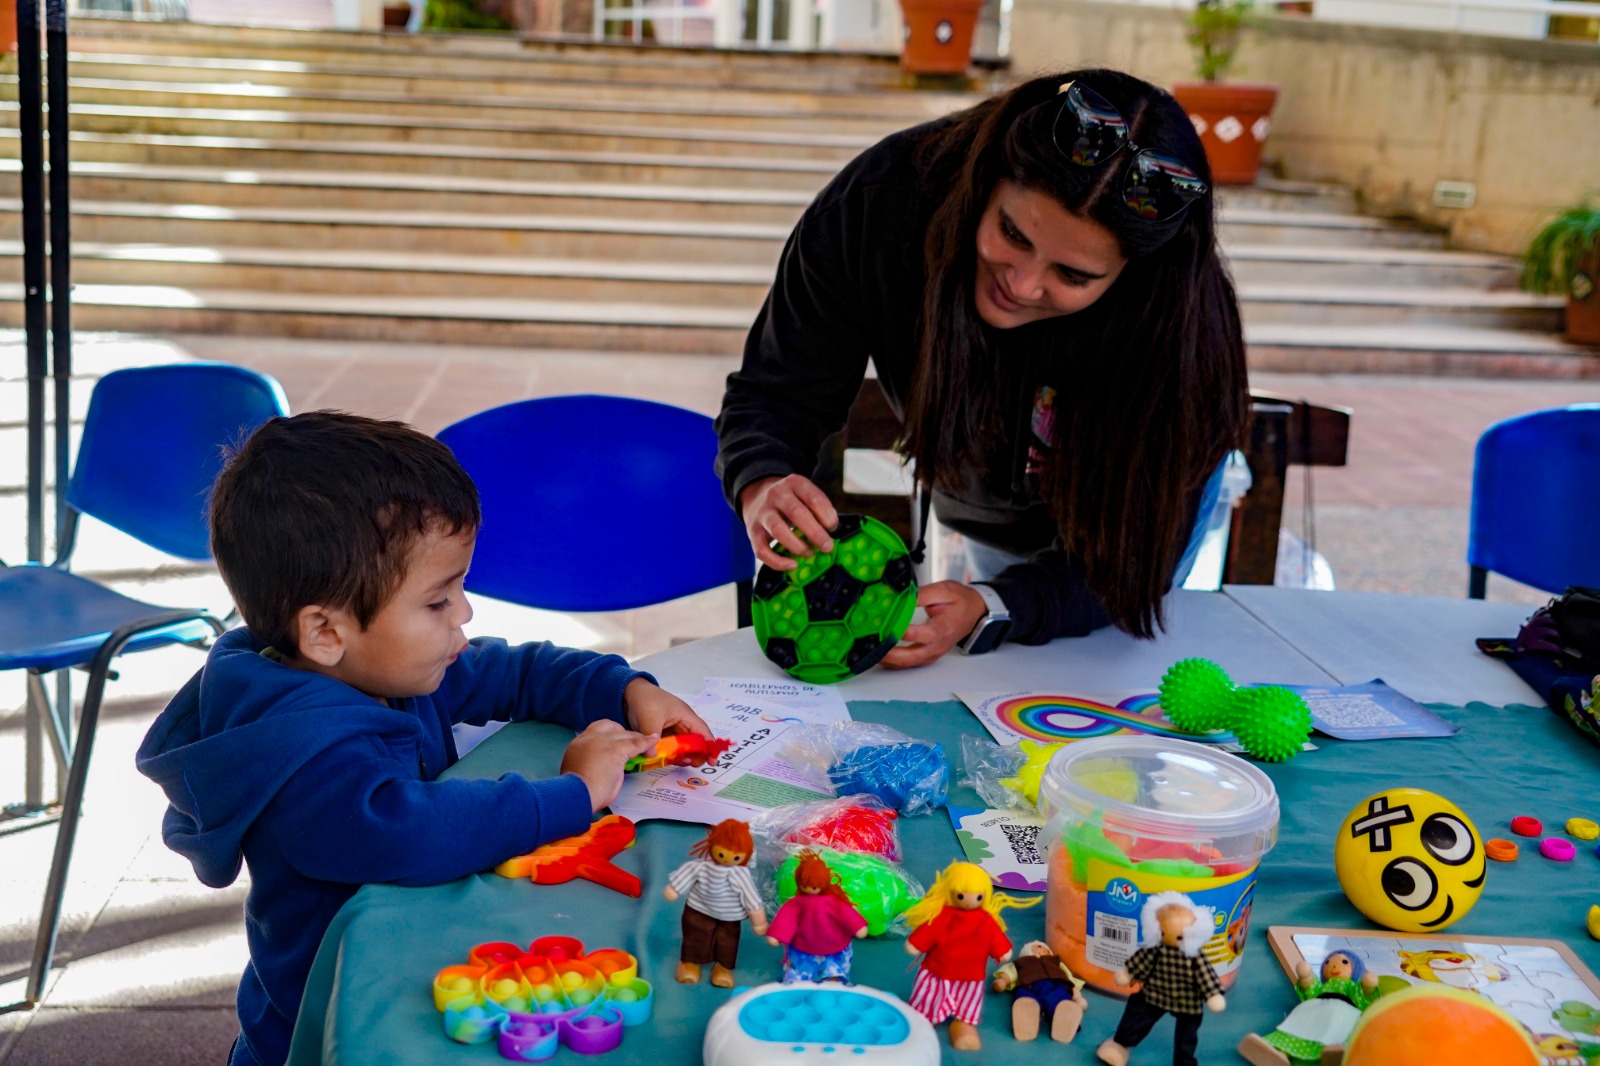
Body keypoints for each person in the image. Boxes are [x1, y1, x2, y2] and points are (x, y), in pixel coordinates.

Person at [135, 411, 710, 1066]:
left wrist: (624, 689)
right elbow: (408, 832)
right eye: (438, 601)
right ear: (325, 631)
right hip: (323, 1028)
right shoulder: (304, 749)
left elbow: (515, 670)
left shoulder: (382, 663)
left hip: (405, 961)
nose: (463, 613)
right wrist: (574, 791)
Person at [716, 69, 1248, 666]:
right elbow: (777, 392)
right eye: (1011, 233)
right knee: (1006, 653)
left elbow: (1129, 568)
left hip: (1120, 520)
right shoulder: (878, 203)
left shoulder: (1179, 327)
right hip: (986, 502)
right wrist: (763, 479)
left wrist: (996, 604)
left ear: (1133, 278)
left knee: (1110, 656)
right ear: (985, 179)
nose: (1021, 285)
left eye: (1072, 275)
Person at [902, 860, 1039, 1051]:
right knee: (928, 1000)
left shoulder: (986, 920)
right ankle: (924, 1019)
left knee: (965, 1004)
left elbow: (998, 941)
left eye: (977, 896)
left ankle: (962, 1024)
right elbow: (928, 932)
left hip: (970, 976)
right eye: (961, 895)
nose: (969, 900)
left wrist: (1003, 951)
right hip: (938, 970)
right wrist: (916, 944)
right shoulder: (944, 914)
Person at [1098, 890, 1226, 1066]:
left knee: (1187, 1036)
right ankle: (1119, 1045)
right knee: (1137, 1015)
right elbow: (1141, 961)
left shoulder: (1194, 956)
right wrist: (1127, 973)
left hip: (1187, 1001)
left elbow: (1205, 975)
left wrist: (1212, 994)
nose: (1170, 938)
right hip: (1155, 994)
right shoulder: (1156, 950)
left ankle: (1184, 1063)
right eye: (1164, 933)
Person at [664, 818, 768, 988]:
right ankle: (689, 962)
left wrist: (759, 920)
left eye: (734, 856)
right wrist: (674, 889)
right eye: (721, 854)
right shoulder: (701, 867)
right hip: (698, 910)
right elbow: (686, 875)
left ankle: (723, 967)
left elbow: (751, 898)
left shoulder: (741, 874)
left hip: (729, 917)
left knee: (727, 942)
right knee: (694, 937)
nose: (726, 860)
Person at [764, 849, 870, 983]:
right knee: (801, 972)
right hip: (804, 946)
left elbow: (846, 913)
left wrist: (857, 926)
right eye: (806, 885)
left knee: (832, 972)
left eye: (815, 885)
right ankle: (803, 980)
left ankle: (832, 979)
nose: (811, 888)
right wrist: (778, 934)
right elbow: (786, 918)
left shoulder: (833, 901)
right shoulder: (796, 903)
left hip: (834, 946)